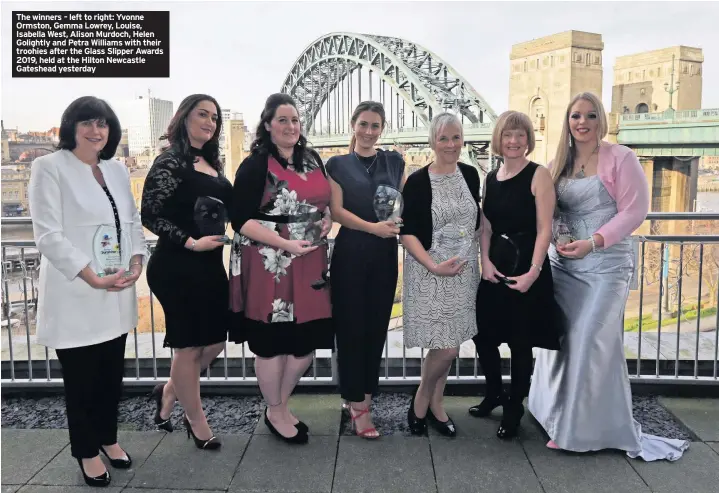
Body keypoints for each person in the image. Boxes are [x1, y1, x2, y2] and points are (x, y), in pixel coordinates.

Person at [528, 92, 689, 460]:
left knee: (589, 339)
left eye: (589, 115)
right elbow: (550, 211)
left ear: (600, 119)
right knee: (563, 341)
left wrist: (594, 242)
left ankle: (579, 430)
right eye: (574, 116)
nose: (582, 122)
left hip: (606, 266)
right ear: (567, 122)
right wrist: (561, 235)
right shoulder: (558, 163)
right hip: (566, 264)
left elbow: (636, 211)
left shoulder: (621, 157)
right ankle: (551, 414)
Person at [29, 96, 146, 486]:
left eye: (103, 124)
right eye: (87, 123)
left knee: (111, 374)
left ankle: (109, 438)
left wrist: (136, 261)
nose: (96, 131)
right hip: (78, 292)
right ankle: (86, 450)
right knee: (81, 380)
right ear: (72, 126)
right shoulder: (49, 167)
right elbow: (48, 235)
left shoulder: (114, 169)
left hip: (116, 290)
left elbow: (130, 221)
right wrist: (91, 276)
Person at [228, 93, 333, 444]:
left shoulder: (312, 158)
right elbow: (240, 220)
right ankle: (275, 409)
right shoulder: (255, 164)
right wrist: (286, 244)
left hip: (311, 262)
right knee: (272, 344)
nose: (291, 126)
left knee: (304, 345)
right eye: (283, 120)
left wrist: (328, 217)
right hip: (271, 263)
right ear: (268, 125)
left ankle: (279, 404)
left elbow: (324, 200)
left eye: (295, 120)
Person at [141, 94, 231, 450]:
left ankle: (168, 393)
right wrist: (191, 243)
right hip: (177, 265)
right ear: (184, 118)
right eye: (202, 114)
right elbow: (149, 215)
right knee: (189, 348)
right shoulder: (170, 161)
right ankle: (196, 422)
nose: (209, 122)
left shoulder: (212, 163)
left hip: (210, 266)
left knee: (216, 343)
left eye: (214, 117)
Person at [468, 110, 561, 439]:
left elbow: (544, 228)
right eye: (508, 134)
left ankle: (514, 408)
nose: (513, 141)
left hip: (526, 270)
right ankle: (494, 392)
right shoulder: (491, 177)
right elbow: (487, 226)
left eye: (520, 135)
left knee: (521, 343)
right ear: (499, 138)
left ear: (528, 140)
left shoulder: (539, 175)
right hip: (495, 269)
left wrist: (534, 272)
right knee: (483, 335)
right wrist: (485, 263)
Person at [326, 101, 405, 439]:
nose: (369, 131)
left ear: (382, 128)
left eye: (375, 125)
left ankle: (364, 398)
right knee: (351, 329)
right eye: (364, 124)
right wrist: (373, 228)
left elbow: (401, 203)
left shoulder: (395, 161)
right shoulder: (337, 164)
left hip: (385, 255)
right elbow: (337, 212)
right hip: (351, 253)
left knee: (375, 329)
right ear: (353, 125)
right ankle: (357, 404)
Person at [400, 112, 481, 437]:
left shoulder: (472, 174)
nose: (450, 144)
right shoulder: (418, 181)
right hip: (430, 274)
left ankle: (436, 404)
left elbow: (477, 220)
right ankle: (422, 399)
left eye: (456, 137)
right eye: (443, 138)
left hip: (463, 273)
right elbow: (407, 234)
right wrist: (433, 265)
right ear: (433, 141)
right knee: (444, 347)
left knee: (448, 345)